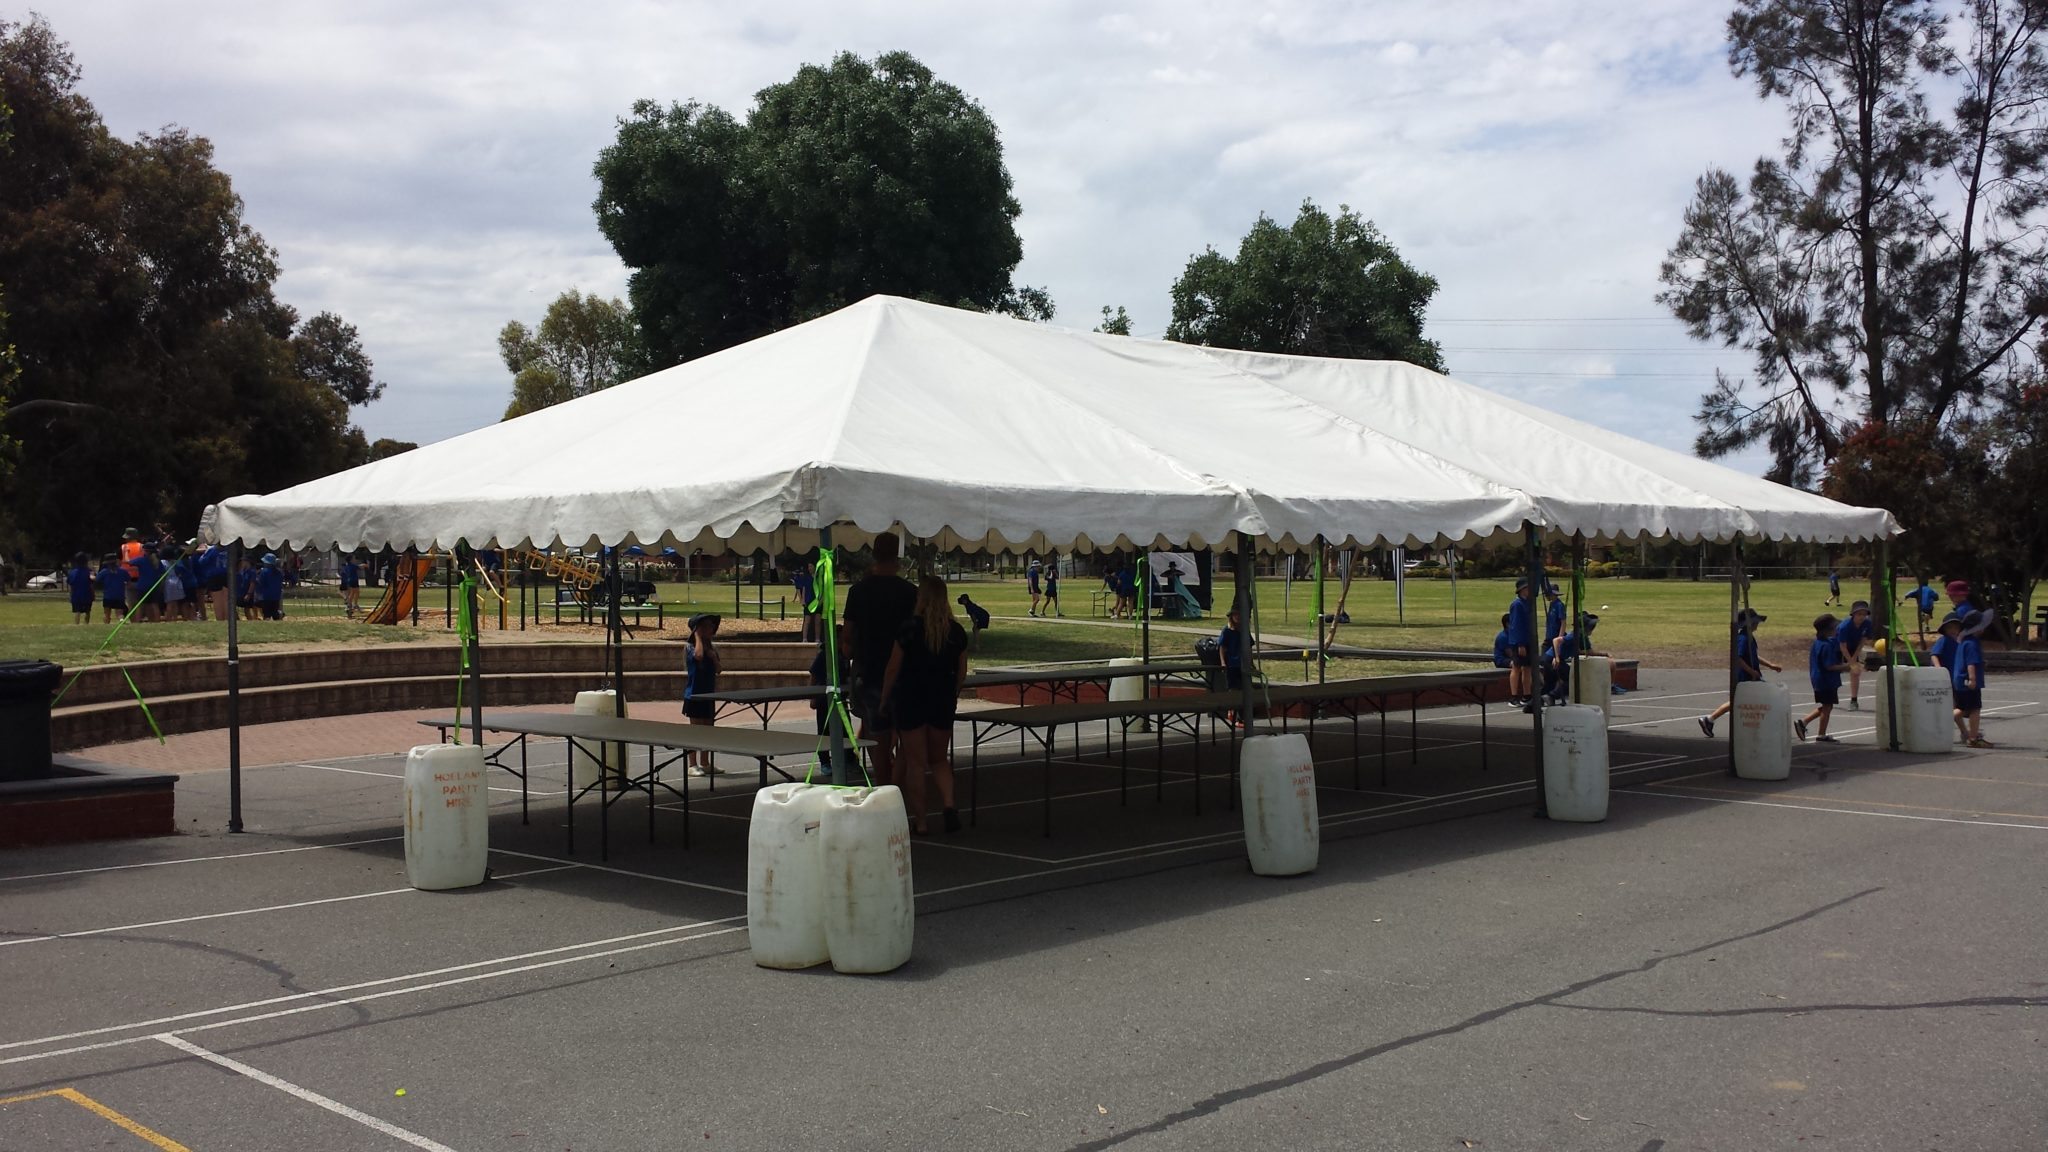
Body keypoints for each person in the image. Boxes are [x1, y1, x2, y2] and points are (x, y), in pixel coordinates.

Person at [880, 576, 970, 835]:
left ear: (921, 598)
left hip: (911, 698)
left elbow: (893, 667)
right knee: (940, 759)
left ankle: (920, 821)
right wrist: (954, 691)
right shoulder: (955, 631)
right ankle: (949, 805)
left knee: (916, 763)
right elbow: (961, 670)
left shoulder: (909, 628)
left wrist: (886, 698)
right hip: (941, 699)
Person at [842, 531, 917, 788]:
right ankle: (898, 784)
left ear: (873, 555)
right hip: (906, 673)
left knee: (875, 734)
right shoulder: (910, 592)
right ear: (897, 557)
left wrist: (848, 654)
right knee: (907, 737)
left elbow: (847, 636)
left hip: (869, 670)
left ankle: (884, 784)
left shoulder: (858, 591)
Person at [1699, 609, 1781, 736]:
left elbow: (1753, 655)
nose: (1757, 624)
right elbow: (1738, 658)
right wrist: (1751, 671)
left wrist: (1770, 665)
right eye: (1755, 622)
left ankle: (1710, 719)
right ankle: (1711, 719)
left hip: (1750, 675)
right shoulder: (1743, 639)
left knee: (1742, 701)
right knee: (1757, 699)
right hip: (1745, 676)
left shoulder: (1749, 638)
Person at [1795, 613, 1848, 743]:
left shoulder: (1821, 642)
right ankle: (1821, 734)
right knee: (1827, 706)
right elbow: (1829, 666)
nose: (1836, 630)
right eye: (1834, 628)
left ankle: (1804, 722)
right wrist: (1846, 666)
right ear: (1827, 631)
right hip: (1825, 680)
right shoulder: (1825, 645)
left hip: (1821, 679)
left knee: (1827, 706)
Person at [682, 613, 723, 775]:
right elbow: (698, 656)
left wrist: (714, 658)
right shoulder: (690, 647)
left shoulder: (713, 648)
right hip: (694, 694)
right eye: (706, 626)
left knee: (708, 729)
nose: (710, 628)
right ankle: (692, 764)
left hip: (709, 694)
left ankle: (705, 762)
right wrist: (698, 636)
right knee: (696, 730)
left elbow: (719, 670)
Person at [1948, 612, 1991, 748]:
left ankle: (1945, 716)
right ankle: (1973, 737)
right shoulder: (1972, 643)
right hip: (1968, 681)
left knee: (1962, 708)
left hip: (1959, 681)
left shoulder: (1963, 642)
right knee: (1974, 709)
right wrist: (1972, 679)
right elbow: (1970, 663)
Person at [1544, 613, 1598, 705]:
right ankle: (1552, 696)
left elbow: (1586, 651)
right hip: (1552, 658)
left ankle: (1537, 702)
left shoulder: (1582, 638)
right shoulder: (1574, 635)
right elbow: (1556, 641)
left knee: (1550, 683)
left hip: (1554, 659)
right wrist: (1556, 657)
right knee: (1571, 678)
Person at [1834, 601, 1874, 710]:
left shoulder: (1867, 624)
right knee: (1833, 670)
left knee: (1855, 672)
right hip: (1837, 646)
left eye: (1864, 614)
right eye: (1859, 614)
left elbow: (1862, 641)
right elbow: (1842, 646)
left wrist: (1854, 661)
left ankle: (1854, 700)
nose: (1862, 617)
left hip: (1853, 646)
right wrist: (1850, 662)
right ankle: (1829, 696)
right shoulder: (1845, 627)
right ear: (1853, 614)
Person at [1505, 577, 1536, 708]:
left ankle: (1527, 695)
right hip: (1519, 641)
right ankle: (1513, 696)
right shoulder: (1517, 605)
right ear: (1523, 590)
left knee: (1527, 668)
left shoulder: (1527, 603)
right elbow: (1516, 625)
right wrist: (1520, 644)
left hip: (1527, 639)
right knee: (1517, 668)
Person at [789, 561, 818, 643]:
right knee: (807, 620)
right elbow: (801, 588)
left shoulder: (818, 578)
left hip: (816, 601)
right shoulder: (806, 578)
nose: (809, 568)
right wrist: (802, 599)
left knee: (817, 620)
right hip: (808, 601)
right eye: (808, 567)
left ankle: (817, 639)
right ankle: (804, 638)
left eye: (811, 566)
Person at [119, 527, 145, 615]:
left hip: (127, 579)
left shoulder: (123, 547)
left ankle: (133, 620)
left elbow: (119, 562)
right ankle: (139, 619)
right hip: (140, 578)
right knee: (140, 602)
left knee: (131, 603)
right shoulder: (141, 547)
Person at [96, 554, 128, 624]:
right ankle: (121, 620)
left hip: (108, 596)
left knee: (107, 613)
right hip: (119, 595)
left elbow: (97, 580)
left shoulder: (104, 572)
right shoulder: (122, 571)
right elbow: (128, 580)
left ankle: (106, 624)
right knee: (120, 613)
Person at [256, 552, 285, 620]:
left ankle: (269, 618)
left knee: (267, 614)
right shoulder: (279, 572)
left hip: (266, 596)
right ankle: (278, 616)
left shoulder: (264, 572)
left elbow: (261, 583)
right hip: (276, 596)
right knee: (274, 611)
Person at [66, 552, 93, 624]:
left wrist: (70, 595)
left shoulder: (72, 572)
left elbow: (70, 585)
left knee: (77, 611)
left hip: (76, 595)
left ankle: (76, 624)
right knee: (87, 611)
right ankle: (86, 623)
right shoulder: (88, 572)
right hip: (87, 595)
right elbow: (91, 584)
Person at [339, 553, 362, 618]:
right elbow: (359, 567)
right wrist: (365, 565)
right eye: (354, 558)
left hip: (349, 582)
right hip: (351, 581)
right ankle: (350, 606)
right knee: (351, 594)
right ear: (351, 559)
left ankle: (351, 606)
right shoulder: (351, 566)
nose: (355, 559)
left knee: (355, 592)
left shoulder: (347, 566)